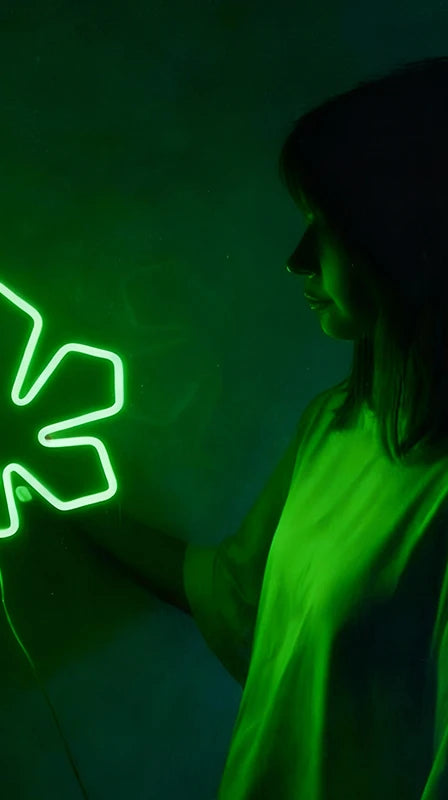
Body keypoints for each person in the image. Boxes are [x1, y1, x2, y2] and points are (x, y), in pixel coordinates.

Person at [69, 56, 448, 799]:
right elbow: (245, 603)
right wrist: (51, 483)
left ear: (405, 238)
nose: (295, 261)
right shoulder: (339, 428)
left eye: (326, 227)